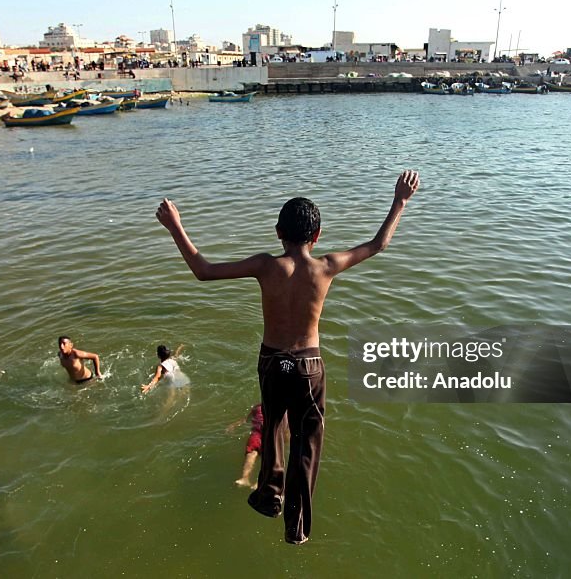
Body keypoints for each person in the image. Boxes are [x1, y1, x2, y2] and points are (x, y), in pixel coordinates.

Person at [155, 170, 420, 544]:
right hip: (308, 365)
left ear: (278, 232)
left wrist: (175, 226)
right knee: (307, 442)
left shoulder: (266, 265)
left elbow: (204, 271)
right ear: (317, 236)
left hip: (271, 363)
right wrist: (400, 201)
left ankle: (269, 496)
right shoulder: (326, 266)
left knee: (272, 425)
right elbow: (377, 244)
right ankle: (296, 528)